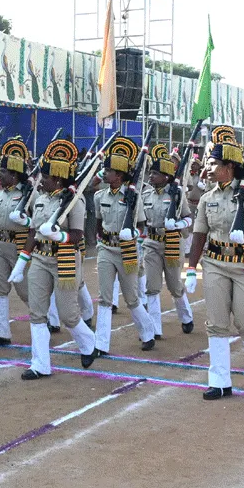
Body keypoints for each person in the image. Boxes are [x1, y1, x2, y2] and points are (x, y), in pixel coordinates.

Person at [185, 125, 244, 399]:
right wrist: (191, 268)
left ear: (229, 167)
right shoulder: (207, 198)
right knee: (217, 323)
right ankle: (219, 380)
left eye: (213, 163)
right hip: (215, 263)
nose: (208, 167)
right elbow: (200, 233)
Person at [9, 137, 98, 378]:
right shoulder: (40, 200)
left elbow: (78, 236)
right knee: (37, 312)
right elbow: (33, 232)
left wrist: (59, 236)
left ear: (57, 178)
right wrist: (22, 261)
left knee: (68, 314)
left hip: (65, 259)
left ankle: (89, 343)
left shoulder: (73, 202)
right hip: (40, 258)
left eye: (45, 177)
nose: (41, 181)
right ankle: (40, 364)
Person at [91, 137, 156, 355]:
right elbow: (99, 224)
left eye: (108, 170)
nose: (104, 173)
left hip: (127, 250)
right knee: (105, 297)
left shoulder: (134, 197)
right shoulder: (100, 196)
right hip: (106, 249)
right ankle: (101, 344)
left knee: (131, 297)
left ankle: (148, 332)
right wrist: (105, 240)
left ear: (119, 175)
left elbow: (142, 227)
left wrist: (132, 234)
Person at [139, 145, 195, 340]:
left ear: (166, 176)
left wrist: (178, 223)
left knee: (174, 285)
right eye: (150, 173)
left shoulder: (177, 195)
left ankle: (186, 317)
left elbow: (189, 218)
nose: (151, 177)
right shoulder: (145, 195)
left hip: (172, 242)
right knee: (152, 287)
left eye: (155, 174)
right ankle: (154, 329)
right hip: (152, 243)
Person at [0, 138, 33, 347]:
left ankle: (45, 318)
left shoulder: (30, 195)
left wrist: (27, 220)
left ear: (14, 174)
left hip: (20, 245)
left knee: (26, 290)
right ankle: (1, 332)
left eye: (3, 171)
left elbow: (37, 225)